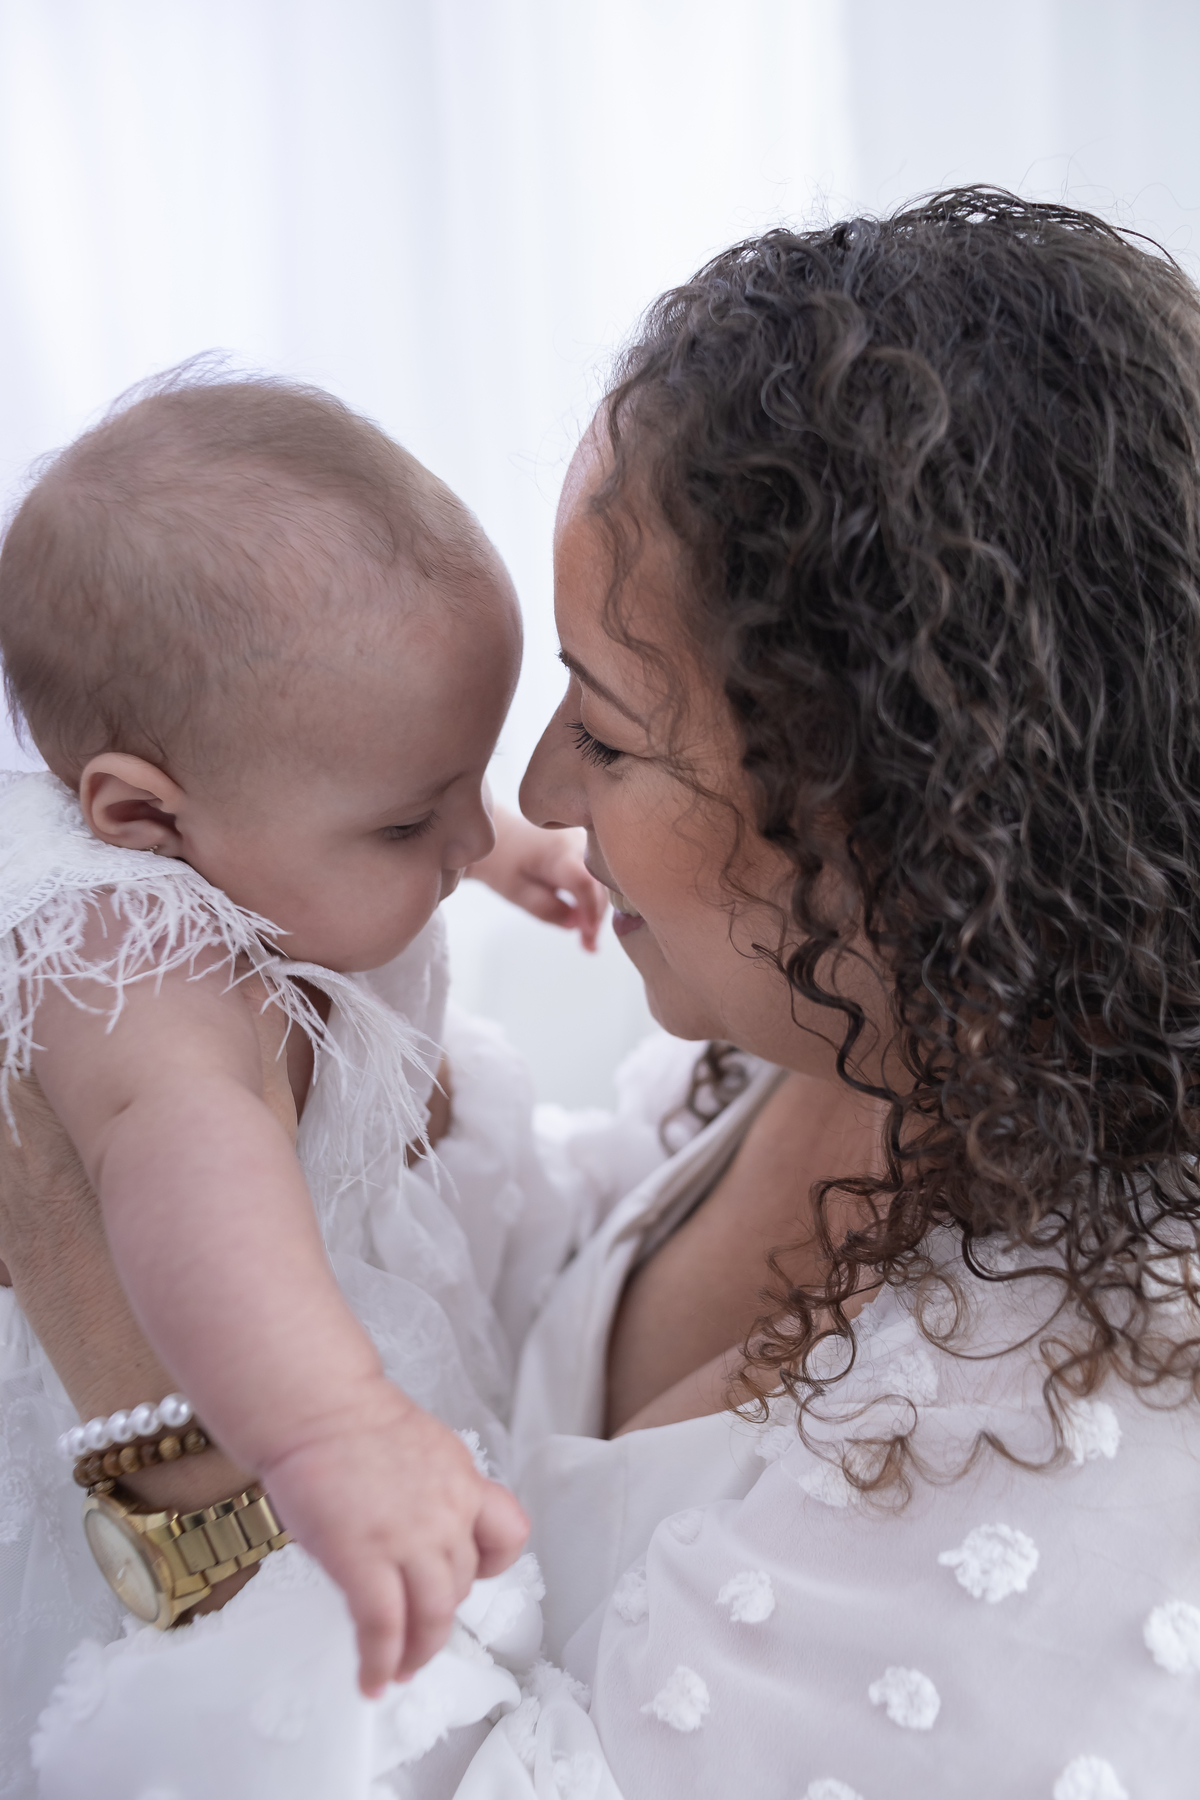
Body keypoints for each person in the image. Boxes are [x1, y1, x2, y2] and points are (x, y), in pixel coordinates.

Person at [10, 188, 1200, 1798]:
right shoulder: (837, 1046)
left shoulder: (1083, 1442)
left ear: (900, 810)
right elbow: (549, 1303)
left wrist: (153, 1406)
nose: (541, 789)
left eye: (611, 728)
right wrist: (353, 1107)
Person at [0, 371, 610, 1782]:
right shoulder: (128, 944)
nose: (467, 839)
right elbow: (188, 1155)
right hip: (237, 1388)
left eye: (473, 784)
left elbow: (389, 777)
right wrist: (333, 1425)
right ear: (140, 813)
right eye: (415, 820)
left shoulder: (249, 804)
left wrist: (493, 837)